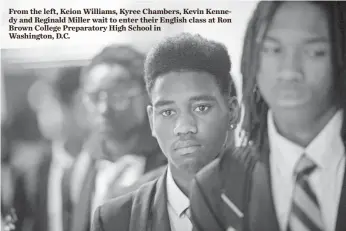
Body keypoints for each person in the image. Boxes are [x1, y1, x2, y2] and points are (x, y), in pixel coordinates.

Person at [190, 1, 346, 231]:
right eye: (273, 49)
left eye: (315, 52)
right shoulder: (215, 187)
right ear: (252, 57)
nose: (290, 70)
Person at [91, 33, 240, 231]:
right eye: (168, 112)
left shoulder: (271, 198)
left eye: (201, 108)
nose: (184, 127)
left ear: (232, 111)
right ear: (152, 120)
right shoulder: (115, 219)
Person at [65, 45, 166, 231]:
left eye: (118, 96)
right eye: (95, 97)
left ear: (147, 95)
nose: (104, 108)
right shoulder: (81, 167)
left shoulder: (170, 163)